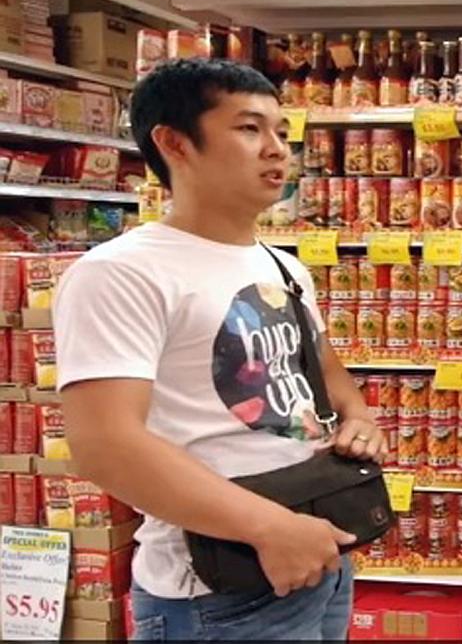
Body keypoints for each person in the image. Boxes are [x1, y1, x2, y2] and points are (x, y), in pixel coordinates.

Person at [54, 58, 385, 640]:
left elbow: (328, 378)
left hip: (319, 552)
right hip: (216, 591)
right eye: (249, 128)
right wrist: (268, 528)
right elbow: (105, 444)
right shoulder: (121, 273)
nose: (277, 149)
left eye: (282, 132)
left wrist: (358, 418)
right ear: (174, 142)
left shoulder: (283, 266)